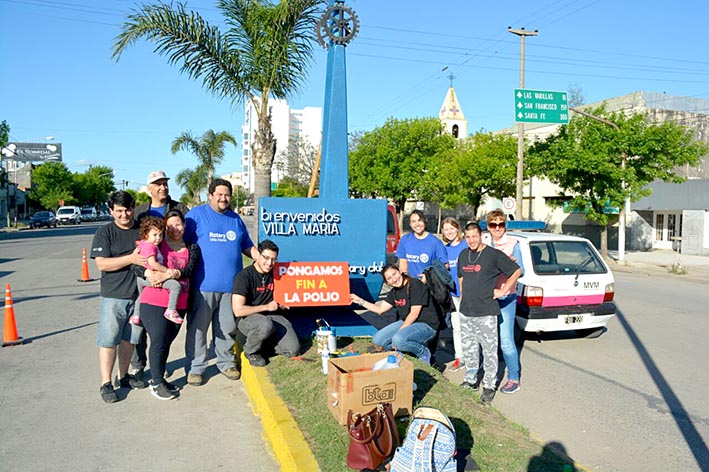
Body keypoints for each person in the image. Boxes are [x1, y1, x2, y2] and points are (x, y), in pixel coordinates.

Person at [183, 178, 258, 386]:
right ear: (210, 195)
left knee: (226, 328)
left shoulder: (235, 219)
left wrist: (260, 257)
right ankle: (196, 367)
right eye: (220, 195)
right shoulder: (196, 216)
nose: (224, 198)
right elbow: (181, 242)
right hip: (202, 286)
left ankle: (226, 363)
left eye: (227, 195)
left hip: (231, 288)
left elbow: (247, 246)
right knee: (198, 329)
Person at [137, 209, 200, 400]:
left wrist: (167, 274)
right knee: (158, 340)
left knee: (166, 342)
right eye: (170, 226)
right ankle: (156, 382)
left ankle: (161, 378)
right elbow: (137, 263)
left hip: (179, 303)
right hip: (154, 301)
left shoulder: (192, 247)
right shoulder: (156, 243)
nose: (174, 229)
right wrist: (146, 273)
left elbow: (189, 269)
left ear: (184, 225)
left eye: (178, 224)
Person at [90, 191, 147, 403]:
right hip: (114, 296)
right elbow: (102, 263)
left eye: (128, 209)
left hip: (139, 296)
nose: (125, 214)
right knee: (108, 340)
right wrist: (131, 258)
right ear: (111, 211)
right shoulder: (105, 232)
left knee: (129, 340)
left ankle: (123, 377)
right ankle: (106, 383)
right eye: (119, 211)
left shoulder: (141, 230)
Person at [131, 170, 189, 379]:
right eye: (157, 184)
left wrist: (171, 274)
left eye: (165, 183)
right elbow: (137, 249)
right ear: (149, 189)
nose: (162, 187)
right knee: (142, 327)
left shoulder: (179, 208)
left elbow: (188, 241)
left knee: (165, 331)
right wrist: (146, 272)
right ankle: (139, 365)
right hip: (148, 274)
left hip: (170, 276)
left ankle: (159, 364)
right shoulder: (140, 213)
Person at [457, 221, 521, 403]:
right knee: (469, 349)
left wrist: (503, 291)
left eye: (474, 236)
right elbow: (461, 277)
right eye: (468, 237)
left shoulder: (493, 255)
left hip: (486, 311)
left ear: (481, 235)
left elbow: (516, 271)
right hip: (467, 311)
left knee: (489, 351)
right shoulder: (463, 254)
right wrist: (462, 298)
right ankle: (470, 380)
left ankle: (489, 385)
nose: (471, 240)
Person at [350, 264, 440, 364]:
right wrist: (360, 301)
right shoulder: (394, 292)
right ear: (387, 283)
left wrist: (398, 334)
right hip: (408, 322)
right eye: (389, 278)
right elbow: (380, 309)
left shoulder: (415, 284)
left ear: (400, 272)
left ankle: (422, 352)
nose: (394, 279)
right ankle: (406, 349)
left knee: (398, 339)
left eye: (394, 274)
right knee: (378, 340)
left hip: (426, 324)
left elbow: (414, 314)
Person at [231, 240, 300, 367]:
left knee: (292, 350)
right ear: (258, 254)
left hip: (271, 316)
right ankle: (250, 351)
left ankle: (262, 346)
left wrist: (283, 304)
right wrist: (267, 307)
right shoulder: (244, 276)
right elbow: (238, 310)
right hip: (247, 319)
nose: (269, 263)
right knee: (265, 325)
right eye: (266, 258)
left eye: (273, 259)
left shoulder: (276, 273)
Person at [486, 209, 525, 394]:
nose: (497, 228)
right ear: (488, 226)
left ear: (505, 226)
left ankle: (514, 378)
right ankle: (489, 373)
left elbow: (521, 270)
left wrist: (508, 265)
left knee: (506, 341)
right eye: (493, 225)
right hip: (487, 296)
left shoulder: (513, 244)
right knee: (488, 339)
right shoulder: (485, 243)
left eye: (500, 224)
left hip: (506, 297)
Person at [131, 216, 184, 326]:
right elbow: (153, 263)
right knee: (175, 285)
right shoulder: (151, 247)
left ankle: (136, 315)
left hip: (141, 278)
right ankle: (171, 310)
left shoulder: (142, 243)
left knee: (141, 296)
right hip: (150, 276)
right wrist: (168, 271)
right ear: (146, 234)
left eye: (160, 235)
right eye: (154, 235)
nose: (158, 238)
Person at [441, 217, 466, 371]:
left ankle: (475, 357)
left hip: (469, 294)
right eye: (446, 229)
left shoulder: (466, 245)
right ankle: (460, 357)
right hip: (454, 294)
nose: (449, 232)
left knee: (471, 327)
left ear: (458, 228)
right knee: (457, 328)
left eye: (452, 228)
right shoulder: (445, 249)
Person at [395, 209, 448, 281]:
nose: (417, 224)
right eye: (413, 221)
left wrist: (429, 277)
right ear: (410, 224)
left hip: (429, 285)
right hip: (411, 284)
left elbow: (445, 266)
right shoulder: (405, 240)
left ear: (424, 222)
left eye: (419, 220)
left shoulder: (435, 242)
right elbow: (403, 266)